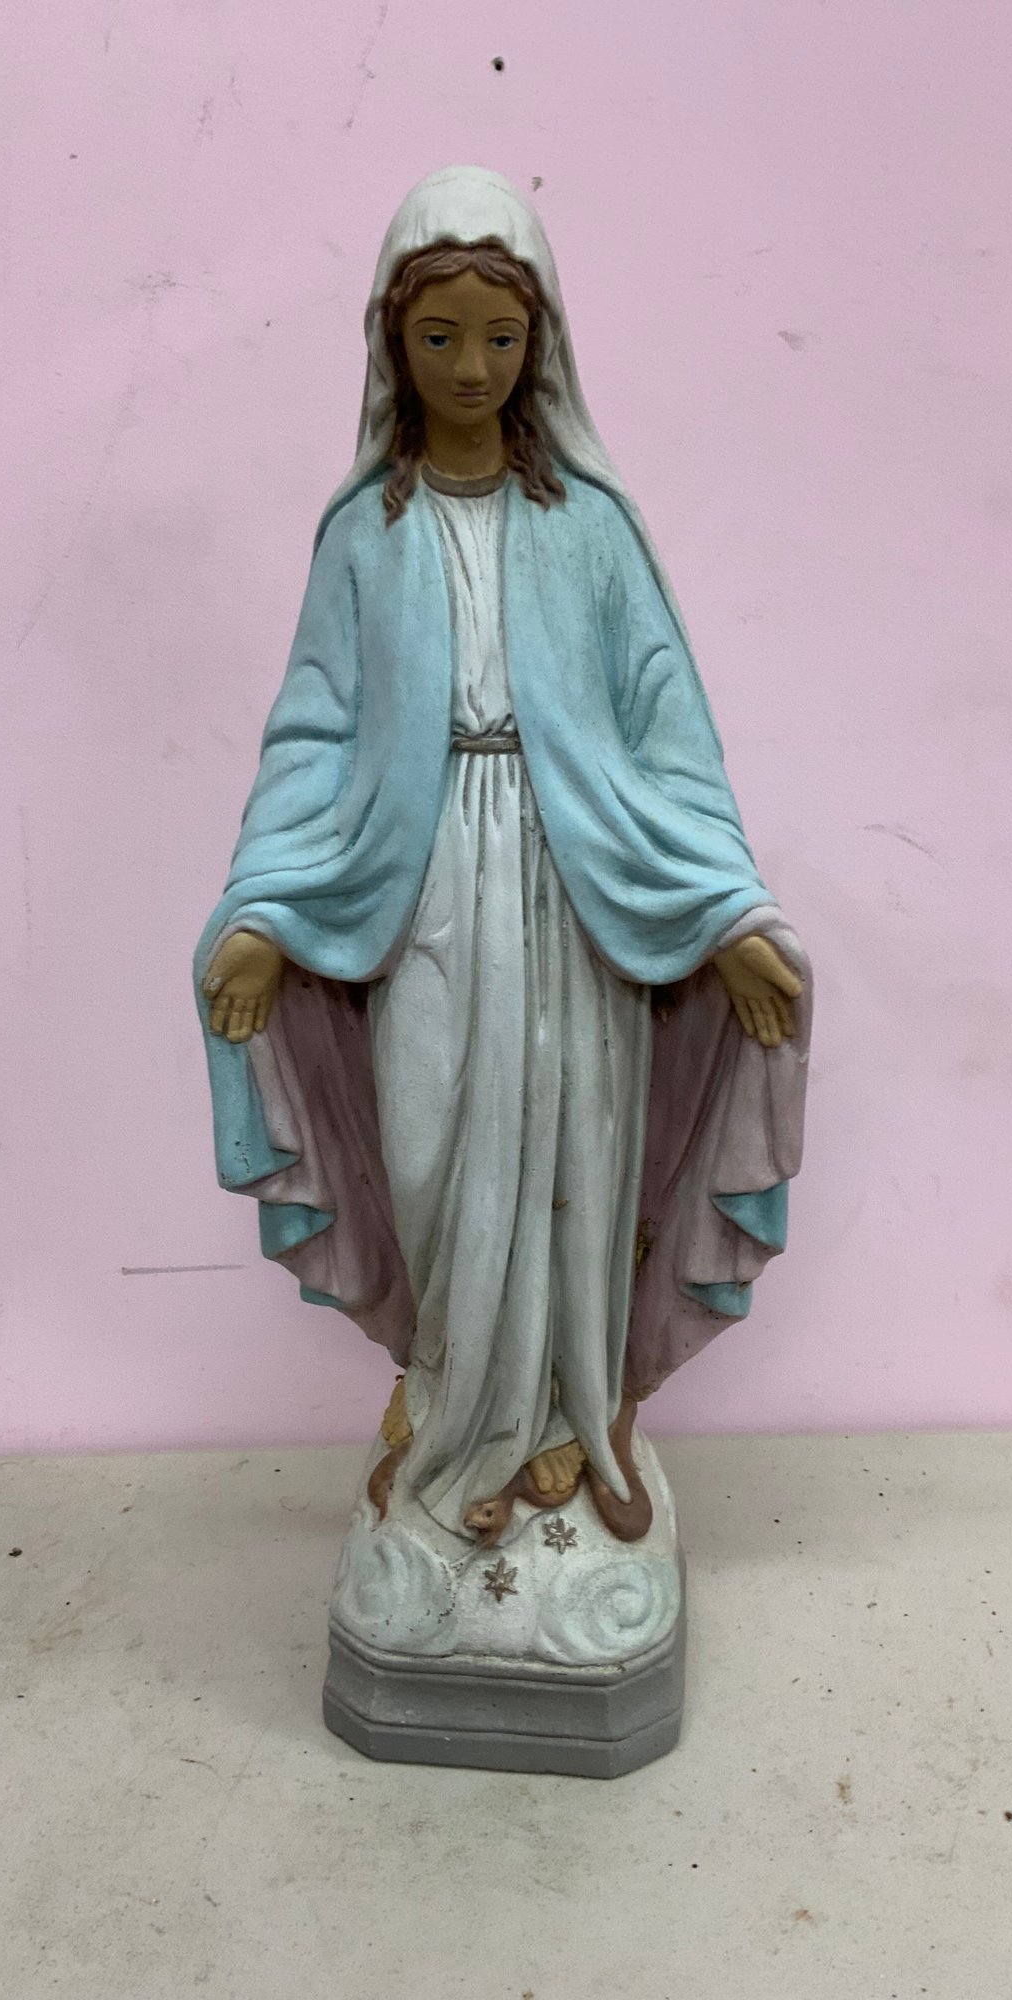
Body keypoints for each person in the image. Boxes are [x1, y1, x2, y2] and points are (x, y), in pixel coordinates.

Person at [195, 166, 810, 1546]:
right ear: (390, 342)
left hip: (577, 880)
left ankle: (569, 1414)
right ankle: (451, 1398)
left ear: (541, 343)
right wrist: (268, 908)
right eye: (439, 336)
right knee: (430, 1154)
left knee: (573, 1153)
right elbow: (314, 729)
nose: (471, 367)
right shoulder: (365, 534)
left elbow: (667, 733)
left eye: (499, 336)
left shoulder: (590, 528)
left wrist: (723, 911)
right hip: (417, 880)